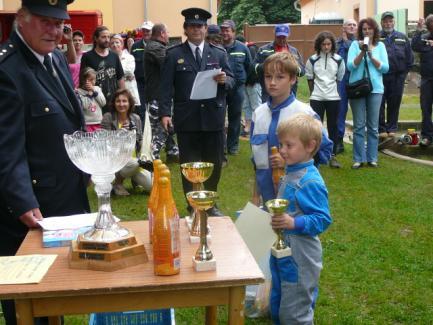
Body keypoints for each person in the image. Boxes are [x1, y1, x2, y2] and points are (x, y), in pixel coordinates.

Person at [0, 0, 90, 323]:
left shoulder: (54, 59)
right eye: (45, 22)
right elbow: (6, 148)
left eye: (59, 23)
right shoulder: (7, 70)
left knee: (54, 303)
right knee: (30, 307)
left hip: (62, 204)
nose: (55, 31)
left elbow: (70, 120)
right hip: (28, 215)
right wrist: (23, 201)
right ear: (21, 20)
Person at [158, 7, 234, 216]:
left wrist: (224, 80)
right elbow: (165, 87)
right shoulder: (174, 55)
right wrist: (165, 113)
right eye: (192, 26)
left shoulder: (218, 53)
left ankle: (209, 204)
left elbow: (233, 80)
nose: (196, 30)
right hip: (187, 119)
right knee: (189, 165)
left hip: (213, 117)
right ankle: (192, 205)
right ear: (185, 29)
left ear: (206, 28)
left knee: (214, 163)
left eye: (200, 26)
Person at [269, 113, 332, 324]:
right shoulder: (291, 172)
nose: (282, 150)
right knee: (279, 301)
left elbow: (322, 219)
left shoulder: (309, 181)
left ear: (309, 146)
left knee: (294, 311)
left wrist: (293, 223)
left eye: (289, 145)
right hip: (284, 252)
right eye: (281, 144)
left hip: (301, 256)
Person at [251, 52, 333, 204]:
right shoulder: (258, 114)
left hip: (297, 197)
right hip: (266, 198)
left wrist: (290, 163)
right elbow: (257, 161)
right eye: (268, 76)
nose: (272, 82)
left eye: (280, 77)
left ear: (293, 79)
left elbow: (323, 152)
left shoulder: (305, 113)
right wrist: (256, 195)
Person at [347, 18, 389, 169]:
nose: (367, 31)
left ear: (374, 30)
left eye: (369, 29)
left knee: (373, 126)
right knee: (358, 125)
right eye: (364, 29)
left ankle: (372, 158)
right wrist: (361, 52)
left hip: (375, 89)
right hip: (358, 88)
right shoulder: (354, 45)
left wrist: (371, 55)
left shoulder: (381, 46)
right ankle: (358, 158)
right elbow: (350, 66)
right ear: (361, 31)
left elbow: (385, 68)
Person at [305, 31, 346, 168]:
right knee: (316, 127)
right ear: (319, 45)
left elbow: (339, 78)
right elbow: (309, 78)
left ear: (332, 44)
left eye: (329, 44)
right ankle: (316, 156)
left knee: (333, 126)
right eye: (324, 44)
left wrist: (330, 91)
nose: (326, 47)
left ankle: (332, 156)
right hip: (317, 98)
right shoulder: (312, 59)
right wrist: (314, 93)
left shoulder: (339, 60)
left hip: (333, 98)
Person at [101, 89, 152, 195]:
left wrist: (147, 146)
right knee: (135, 163)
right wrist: (119, 134)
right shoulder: (108, 117)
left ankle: (135, 180)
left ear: (130, 103)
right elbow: (103, 142)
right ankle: (118, 183)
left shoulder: (136, 118)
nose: (121, 104)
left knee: (151, 185)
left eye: (124, 101)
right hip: (115, 161)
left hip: (134, 160)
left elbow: (140, 139)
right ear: (114, 103)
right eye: (118, 101)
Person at [143, 23, 179, 162]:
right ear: (162, 33)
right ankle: (151, 156)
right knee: (162, 127)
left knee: (166, 124)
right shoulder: (155, 47)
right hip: (157, 95)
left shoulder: (156, 47)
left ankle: (172, 151)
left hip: (159, 93)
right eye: (168, 33)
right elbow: (170, 63)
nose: (169, 36)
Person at [379, 11, 414, 139]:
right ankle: (381, 128)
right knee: (380, 102)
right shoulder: (377, 37)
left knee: (395, 102)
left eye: (390, 21)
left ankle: (392, 128)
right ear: (381, 23)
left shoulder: (402, 37)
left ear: (394, 22)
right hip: (381, 76)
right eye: (385, 21)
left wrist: (404, 75)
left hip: (398, 77)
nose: (388, 24)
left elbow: (409, 58)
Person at [220, 20, 252, 156]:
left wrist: (244, 81)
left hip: (237, 88)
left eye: (227, 30)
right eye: (223, 30)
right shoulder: (216, 47)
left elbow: (248, 66)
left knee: (235, 118)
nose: (224, 33)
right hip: (219, 88)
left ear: (233, 32)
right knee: (219, 118)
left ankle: (232, 146)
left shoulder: (242, 48)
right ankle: (220, 147)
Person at [254, 24, 305, 101]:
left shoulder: (293, 51)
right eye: (279, 37)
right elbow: (254, 67)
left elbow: (302, 71)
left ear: (288, 36)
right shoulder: (263, 50)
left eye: (284, 37)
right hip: (269, 91)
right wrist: (268, 66)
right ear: (274, 35)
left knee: (289, 112)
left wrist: (292, 67)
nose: (281, 40)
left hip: (290, 91)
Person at [80, 26, 125, 113]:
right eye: (103, 37)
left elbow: (120, 78)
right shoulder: (87, 57)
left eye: (108, 37)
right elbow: (83, 80)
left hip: (113, 102)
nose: (107, 40)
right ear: (96, 38)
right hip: (95, 102)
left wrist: (123, 97)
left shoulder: (114, 56)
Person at [336, 19, 357, 153]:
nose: (352, 26)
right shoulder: (336, 43)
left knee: (359, 111)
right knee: (340, 110)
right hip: (341, 81)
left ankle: (359, 142)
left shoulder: (359, 43)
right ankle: (338, 141)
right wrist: (342, 42)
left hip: (356, 80)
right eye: (349, 24)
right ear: (343, 27)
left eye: (354, 25)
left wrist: (347, 42)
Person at [411, 15, 433, 146]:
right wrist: (419, 30)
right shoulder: (424, 38)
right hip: (427, 80)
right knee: (425, 109)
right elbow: (414, 46)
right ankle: (427, 136)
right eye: (431, 23)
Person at [110, 34, 141, 112]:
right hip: (115, 93)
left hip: (129, 91)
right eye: (112, 43)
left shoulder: (129, 57)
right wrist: (124, 76)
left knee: (132, 118)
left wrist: (114, 72)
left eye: (117, 42)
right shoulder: (109, 59)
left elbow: (129, 71)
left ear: (122, 44)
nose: (115, 45)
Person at [130, 21, 154, 125]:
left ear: (152, 31)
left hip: (154, 84)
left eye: (148, 30)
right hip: (139, 84)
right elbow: (131, 63)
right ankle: (144, 136)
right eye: (144, 30)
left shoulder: (158, 45)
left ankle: (156, 136)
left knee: (155, 110)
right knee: (142, 110)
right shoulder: (135, 46)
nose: (146, 32)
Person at [76, 67, 106, 132]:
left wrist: (94, 92)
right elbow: (85, 106)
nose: (93, 82)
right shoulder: (79, 92)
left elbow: (103, 103)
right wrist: (89, 95)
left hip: (98, 121)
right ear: (83, 80)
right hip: (87, 123)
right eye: (90, 80)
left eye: (94, 79)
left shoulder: (97, 89)